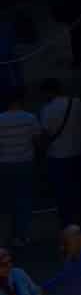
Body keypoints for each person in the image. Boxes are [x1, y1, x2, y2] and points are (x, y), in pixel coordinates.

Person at [35, 83, 81, 229]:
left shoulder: (47, 109)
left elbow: (45, 133)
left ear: (48, 92)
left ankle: (66, 221)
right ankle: (79, 218)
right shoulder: (76, 103)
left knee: (61, 190)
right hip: (77, 151)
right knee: (77, 187)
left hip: (56, 155)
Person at [0, 100, 35, 249]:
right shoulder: (30, 118)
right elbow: (37, 137)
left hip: (5, 164)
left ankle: (8, 234)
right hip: (25, 162)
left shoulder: (0, 119)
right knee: (24, 199)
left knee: (7, 200)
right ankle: (22, 235)